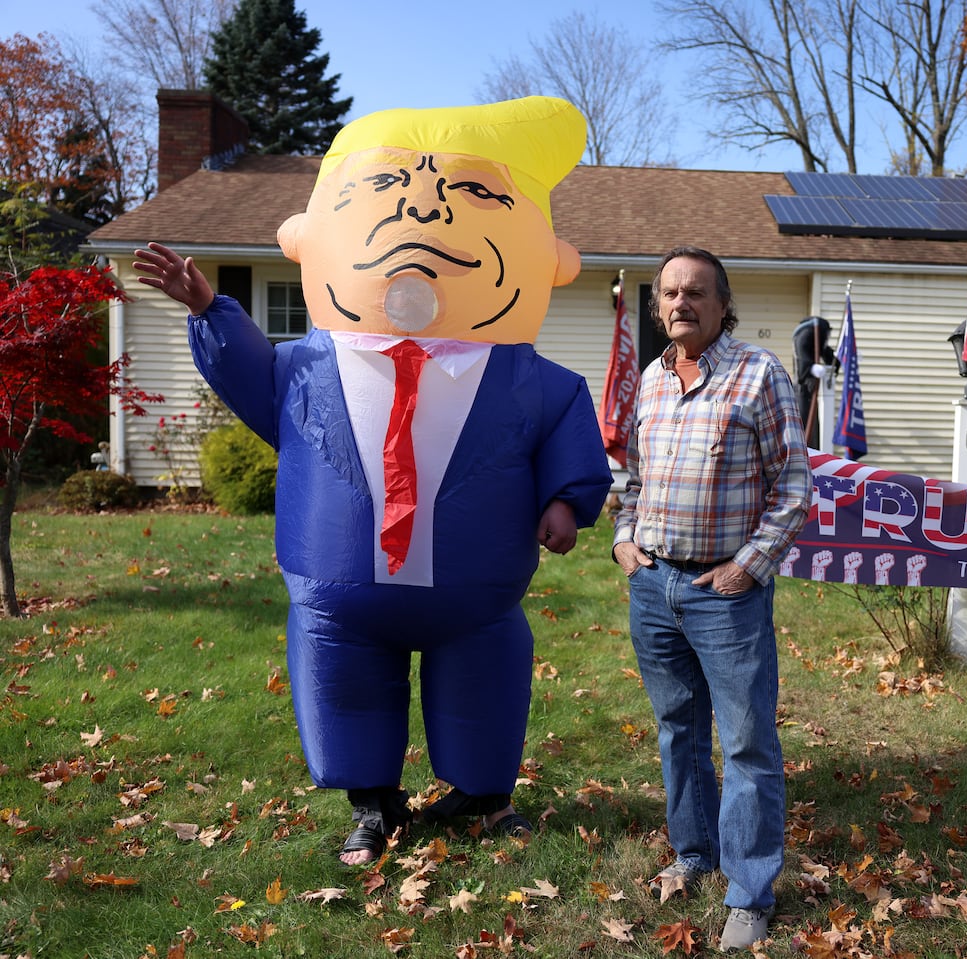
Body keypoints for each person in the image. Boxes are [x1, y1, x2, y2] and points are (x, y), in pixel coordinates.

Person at [133, 97, 613, 866]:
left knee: (484, 671)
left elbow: (568, 427)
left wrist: (567, 500)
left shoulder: (531, 379)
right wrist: (210, 310)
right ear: (306, 238)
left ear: (551, 257)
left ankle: (483, 793)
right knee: (344, 671)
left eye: (472, 194)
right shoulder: (307, 366)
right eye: (387, 188)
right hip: (340, 587)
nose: (422, 208)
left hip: (477, 592)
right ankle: (371, 800)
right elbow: (249, 375)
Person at [611, 247, 811, 951]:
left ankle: (751, 891)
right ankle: (695, 853)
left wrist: (748, 567)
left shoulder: (759, 375)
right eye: (669, 292)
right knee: (677, 727)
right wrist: (624, 543)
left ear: (724, 304)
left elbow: (793, 488)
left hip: (725, 593)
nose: (679, 303)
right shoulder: (653, 380)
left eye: (695, 291)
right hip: (655, 583)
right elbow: (631, 478)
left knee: (747, 740)